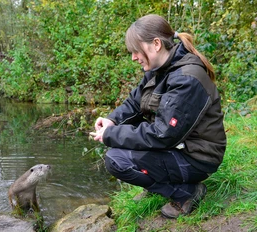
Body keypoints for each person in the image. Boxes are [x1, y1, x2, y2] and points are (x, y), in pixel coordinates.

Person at [90, 14, 226, 219]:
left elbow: (163, 134)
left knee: (116, 160)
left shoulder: (186, 79)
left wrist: (111, 134)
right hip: (179, 147)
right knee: (122, 145)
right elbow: (136, 102)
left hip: (198, 157)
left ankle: (186, 192)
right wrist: (112, 120)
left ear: (156, 44)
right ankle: (158, 183)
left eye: (136, 50)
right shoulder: (158, 70)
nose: (133, 57)